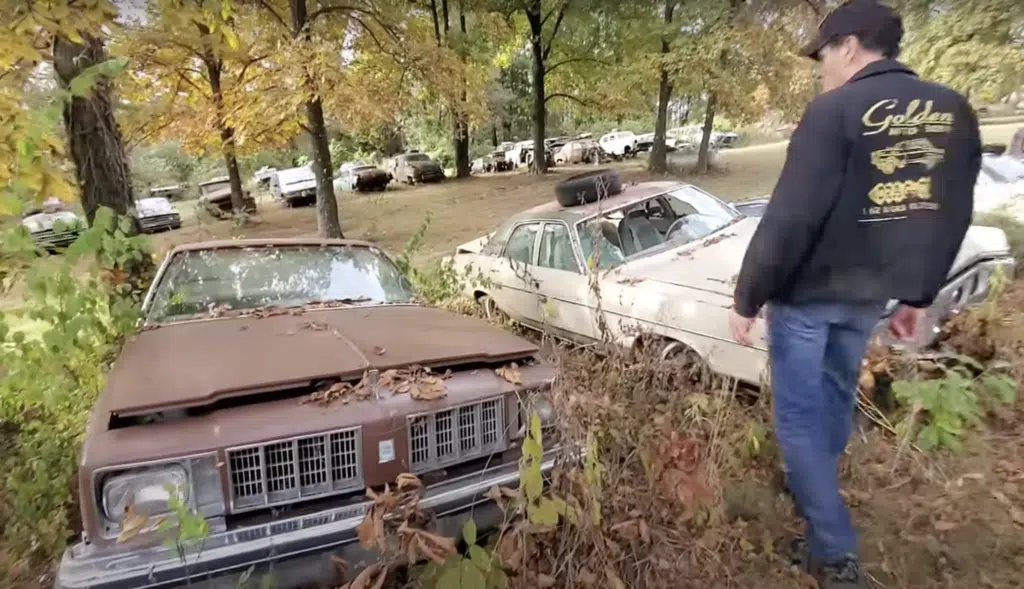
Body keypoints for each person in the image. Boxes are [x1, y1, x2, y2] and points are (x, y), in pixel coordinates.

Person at [728, 1, 981, 587]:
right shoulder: (953, 111)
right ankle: (817, 479)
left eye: (822, 56)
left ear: (849, 45)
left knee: (796, 416)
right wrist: (918, 295)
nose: (821, 69)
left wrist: (747, 299)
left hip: (810, 296)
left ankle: (834, 549)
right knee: (838, 395)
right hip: (873, 295)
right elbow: (949, 214)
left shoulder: (834, 111)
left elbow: (789, 218)